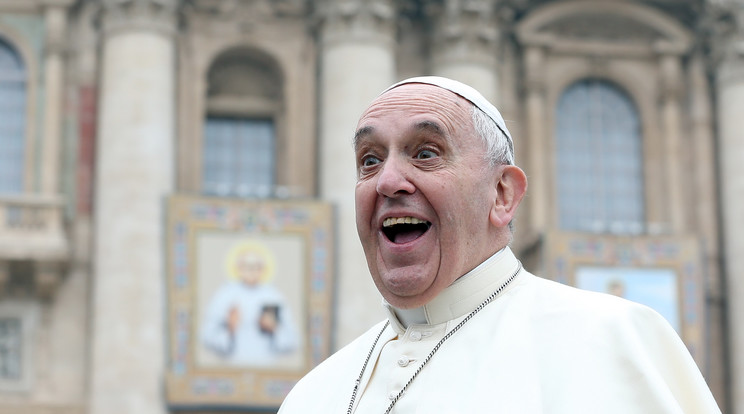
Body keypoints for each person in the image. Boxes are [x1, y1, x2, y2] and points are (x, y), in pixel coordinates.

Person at [278, 76, 721, 413]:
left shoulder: (611, 339)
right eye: (370, 161)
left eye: (426, 153)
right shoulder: (313, 394)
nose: (389, 181)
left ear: (503, 194)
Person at [201, 241, 298, 367]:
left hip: (265, 366)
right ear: (239, 268)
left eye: (256, 266)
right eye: (247, 266)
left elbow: (293, 341)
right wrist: (230, 328)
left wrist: (274, 328)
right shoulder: (225, 295)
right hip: (233, 366)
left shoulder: (273, 296)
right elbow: (207, 337)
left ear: (262, 269)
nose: (252, 270)